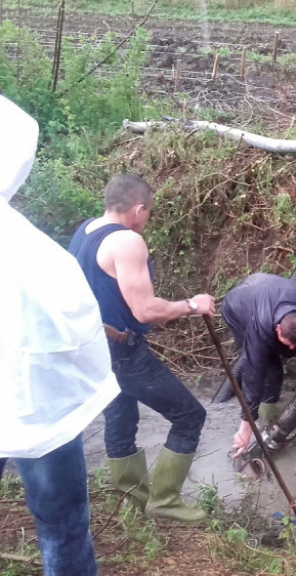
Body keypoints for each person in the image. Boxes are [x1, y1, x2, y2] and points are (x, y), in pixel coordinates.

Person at [0, 95, 120, 575]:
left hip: (35, 396)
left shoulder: (52, 238)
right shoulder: (25, 247)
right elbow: (71, 321)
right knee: (63, 522)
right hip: (39, 401)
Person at [68, 174, 216, 522]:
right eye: (147, 212)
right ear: (137, 208)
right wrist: (192, 305)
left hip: (93, 348)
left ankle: (132, 504)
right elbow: (146, 310)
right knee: (190, 416)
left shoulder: (85, 230)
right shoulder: (127, 242)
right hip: (123, 353)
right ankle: (165, 502)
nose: (146, 220)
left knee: (121, 421)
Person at [211, 273, 296, 457]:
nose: (292, 349)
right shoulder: (260, 327)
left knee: (273, 368)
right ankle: (268, 428)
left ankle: (272, 425)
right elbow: (253, 374)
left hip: (265, 288)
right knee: (269, 371)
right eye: (288, 343)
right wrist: (246, 427)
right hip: (237, 307)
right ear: (278, 329)